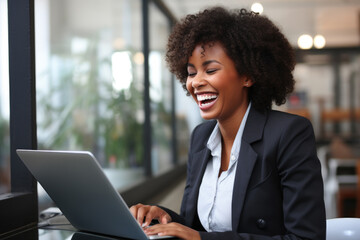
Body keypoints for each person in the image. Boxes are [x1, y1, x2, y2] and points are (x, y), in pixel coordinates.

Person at [130, 6, 326, 240]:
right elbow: (197, 226)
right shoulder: (201, 138)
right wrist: (165, 218)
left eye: (210, 69)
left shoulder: (289, 134)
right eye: (191, 73)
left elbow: (306, 237)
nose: (196, 82)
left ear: (248, 75)